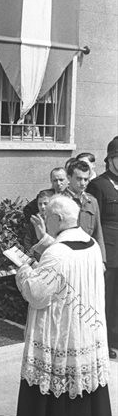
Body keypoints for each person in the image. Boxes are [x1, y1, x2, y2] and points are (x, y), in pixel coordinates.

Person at [15, 195, 113, 416]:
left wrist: (24, 269)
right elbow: (66, 264)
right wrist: (45, 241)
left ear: (58, 219)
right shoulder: (91, 244)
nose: (45, 221)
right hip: (85, 331)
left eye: (47, 217)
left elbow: (37, 294)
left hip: (62, 333)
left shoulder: (57, 253)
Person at [32, 160, 106, 261]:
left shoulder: (92, 201)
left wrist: (102, 260)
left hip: (87, 256)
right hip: (65, 256)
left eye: (86, 179)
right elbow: (51, 233)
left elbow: (98, 233)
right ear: (69, 178)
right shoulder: (57, 201)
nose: (83, 183)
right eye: (79, 179)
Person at [88, 136, 118, 359]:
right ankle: (104, 342)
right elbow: (92, 222)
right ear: (110, 159)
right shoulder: (98, 185)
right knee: (106, 299)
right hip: (108, 251)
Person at [24, 189, 54, 261]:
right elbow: (27, 242)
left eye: (45, 203)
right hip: (36, 259)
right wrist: (31, 257)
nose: (42, 207)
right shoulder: (34, 221)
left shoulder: (57, 222)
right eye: (40, 204)